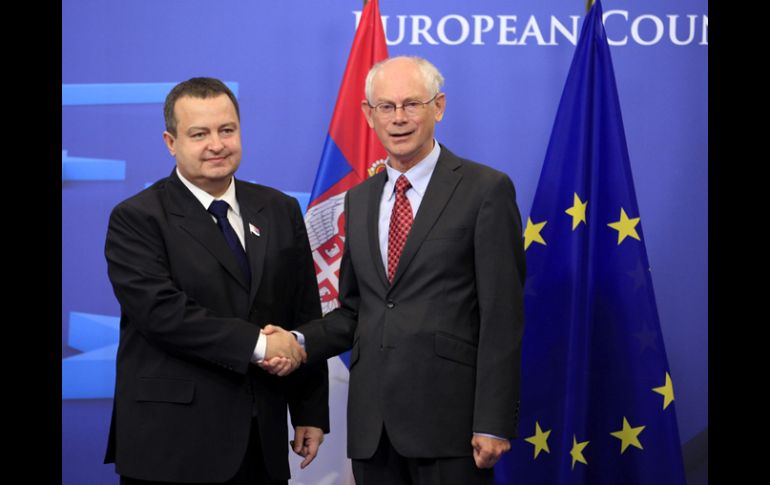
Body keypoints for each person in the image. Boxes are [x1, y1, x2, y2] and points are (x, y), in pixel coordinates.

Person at [262, 56, 526, 485]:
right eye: (386, 107)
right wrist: (297, 340)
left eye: (411, 104)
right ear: (369, 115)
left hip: (451, 427)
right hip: (373, 431)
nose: (398, 118)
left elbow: (502, 315)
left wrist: (493, 420)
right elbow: (354, 311)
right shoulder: (361, 198)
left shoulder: (486, 190)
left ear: (438, 107)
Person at [103, 77, 329, 485]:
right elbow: (163, 315)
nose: (217, 144)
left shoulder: (278, 209)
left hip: (262, 439)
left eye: (227, 130)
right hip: (172, 445)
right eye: (199, 134)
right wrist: (261, 346)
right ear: (171, 142)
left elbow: (303, 312)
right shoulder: (137, 217)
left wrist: (310, 411)